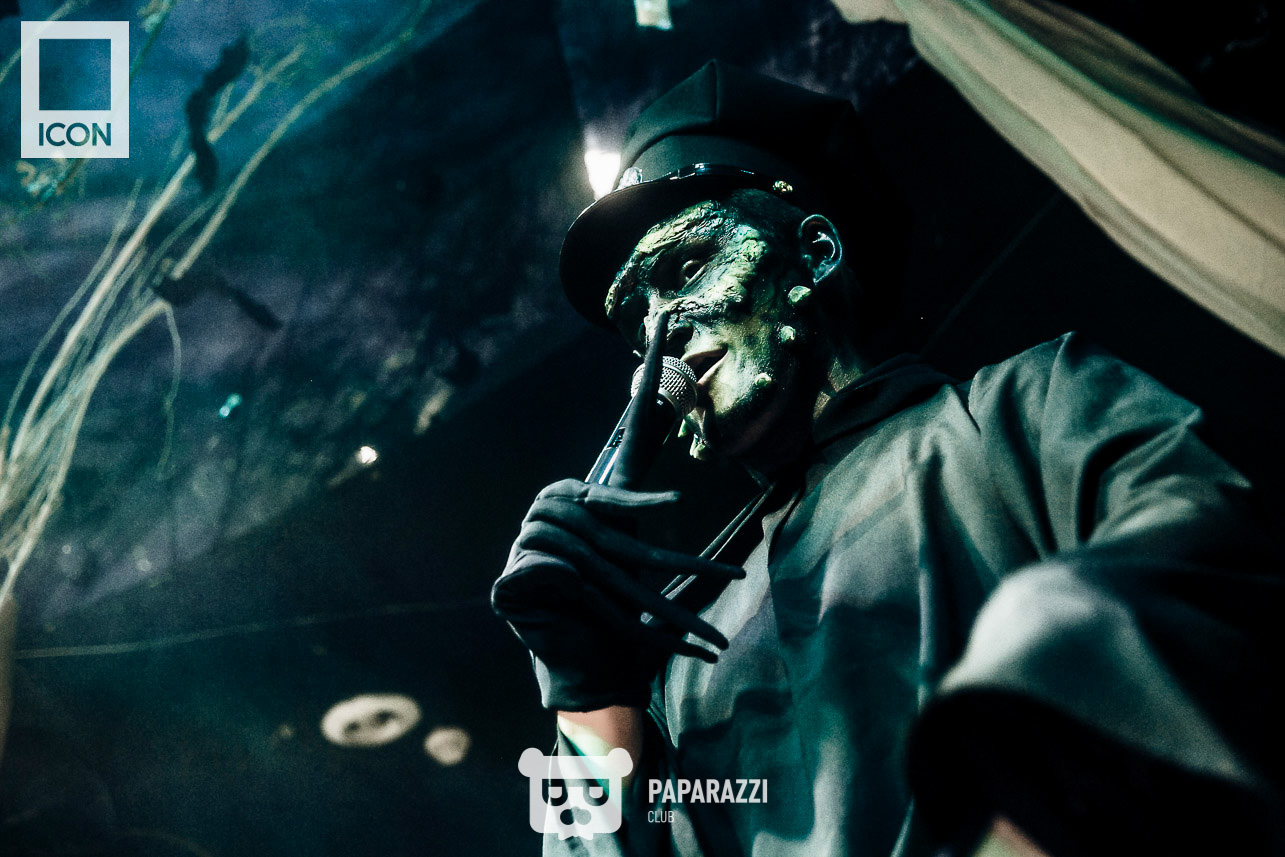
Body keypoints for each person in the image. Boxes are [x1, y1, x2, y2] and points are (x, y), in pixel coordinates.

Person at [492, 61, 1285, 857]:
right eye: (636, 318)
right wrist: (588, 697)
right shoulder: (682, 641)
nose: (660, 332)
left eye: (686, 268)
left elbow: (1214, 570)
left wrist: (1032, 749)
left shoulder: (1031, 405)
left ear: (814, 251)